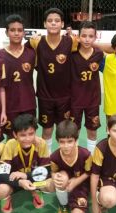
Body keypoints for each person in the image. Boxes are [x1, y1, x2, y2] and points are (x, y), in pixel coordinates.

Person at [25, 8, 79, 153]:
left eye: (57, 21)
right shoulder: (36, 41)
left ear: (62, 24)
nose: (53, 23)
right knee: (47, 130)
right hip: (45, 96)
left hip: (65, 96)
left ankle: (65, 158)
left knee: (64, 130)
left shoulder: (71, 41)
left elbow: (88, 50)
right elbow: (19, 53)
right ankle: (46, 159)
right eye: (50, 21)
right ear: (44, 24)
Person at [0, 114, 53, 213]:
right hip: (15, 182)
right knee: (0, 191)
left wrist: (26, 175)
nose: (27, 138)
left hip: (34, 180)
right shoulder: (10, 144)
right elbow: (2, 175)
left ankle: (35, 190)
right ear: (15, 134)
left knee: (52, 184)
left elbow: (47, 171)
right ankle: (8, 198)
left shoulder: (41, 143)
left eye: (31, 134)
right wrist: (20, 182)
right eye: (23, 135)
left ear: (35, 132)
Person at [0, 14, 37, 139]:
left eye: (19, 30)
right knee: (11, 138)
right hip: (9, 105)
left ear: (24, 33)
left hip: (28, 103)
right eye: (12, 30)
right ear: (6, 33)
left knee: (29, 136)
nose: (16, 33)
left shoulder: (32, 53)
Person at [70, 21, 103, 154]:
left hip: (92, 99)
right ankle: (75, 156)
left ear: (95, 37)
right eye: (84, 36)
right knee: (73, 130)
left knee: (92, 130)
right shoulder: (72, 53)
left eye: (90, 36)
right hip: (74, 99)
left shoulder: (98, 54)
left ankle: (91, 158)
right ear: (78, 36)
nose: (87, 39)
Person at [51, 120, 92, 213]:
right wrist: (55, 178)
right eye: (62, 142)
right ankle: (63, 205)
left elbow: (89, 172)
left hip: (80, 186)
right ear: (57, 141)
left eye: (70, 141)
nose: (66, 146)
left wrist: (76, 181)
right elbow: (53, 171)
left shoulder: (85, 155)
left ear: (76, 140)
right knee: (62, 177)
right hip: (64, 185)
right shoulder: (54, 157)